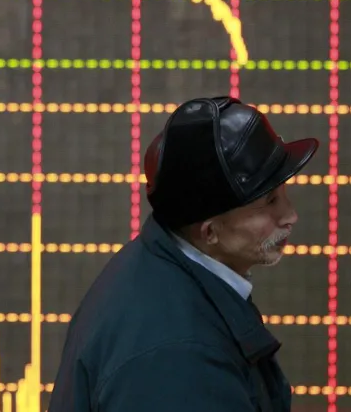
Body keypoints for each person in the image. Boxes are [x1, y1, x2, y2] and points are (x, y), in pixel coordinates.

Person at [48, 96, 319, 412]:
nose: (290, 216)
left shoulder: (154, 273)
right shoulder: (180, 359)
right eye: (270, 202)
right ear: (210, 232)